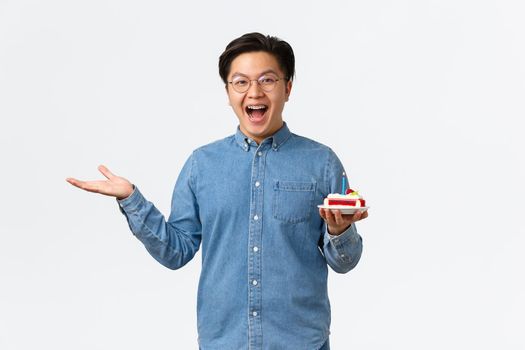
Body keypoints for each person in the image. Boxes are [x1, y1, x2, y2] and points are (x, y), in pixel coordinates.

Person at [67, 32, 368, 350]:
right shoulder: (202, 165)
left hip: (301, 342)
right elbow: (176, 251)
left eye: (267, 80)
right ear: (228, 91)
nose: (254, 91)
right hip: (224, 342)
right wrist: (131, 200)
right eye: (241, 82)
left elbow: (344, 261)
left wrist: (339, 230)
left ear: (287, 87)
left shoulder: (321, 163)